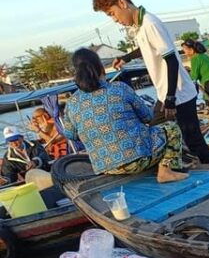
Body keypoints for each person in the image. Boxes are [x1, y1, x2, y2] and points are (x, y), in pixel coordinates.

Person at [92, 0, 209, 164]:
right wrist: (126, 57)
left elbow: (171, 60)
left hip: (178, 93)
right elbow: (146, 47)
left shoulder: (150, 23)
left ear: (122, 3)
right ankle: (177, 167)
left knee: (190, 140)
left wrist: (171, 99)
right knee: (169, 136)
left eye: (112, 13)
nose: (115, 20)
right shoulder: (141, 26)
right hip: (168, 93)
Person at [61, 48, 187, 183]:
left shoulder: (71, 102)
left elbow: (70, 135)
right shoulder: (119, 88)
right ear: (100, 67)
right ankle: (166, 172)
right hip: (138, 160)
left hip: (106, 167)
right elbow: (148, 117)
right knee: (172, 128)